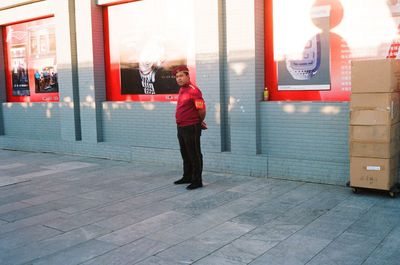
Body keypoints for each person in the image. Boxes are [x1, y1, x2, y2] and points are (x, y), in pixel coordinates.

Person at [173, 65, 206, 190]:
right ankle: (187, 176)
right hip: (181, 127)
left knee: (194, 154)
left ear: (188, 76)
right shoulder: (182, 89)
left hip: (191, 127)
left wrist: (199, 121)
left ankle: (197, 181)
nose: (179, 79)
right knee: (185, 153)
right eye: (177, 76)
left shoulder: (194, 90)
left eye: (181, 75)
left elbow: (201, 109)